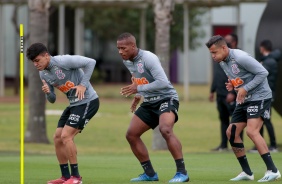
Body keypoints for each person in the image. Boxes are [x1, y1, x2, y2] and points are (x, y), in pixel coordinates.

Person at [205, 35, 281, 182]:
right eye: (211, 53)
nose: (213, 56)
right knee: (231, 133)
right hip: (244, 99)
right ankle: (247, 172)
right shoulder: (222, 61)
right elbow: (240, 77)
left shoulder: (240, 57)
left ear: (224, 48)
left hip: (259, 96)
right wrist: (233, 85)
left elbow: (263, 73)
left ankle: (273, 170)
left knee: (252, 131)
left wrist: (245, 88)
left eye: (214, 52)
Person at [116, 32, 189, 183]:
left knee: (165, 129)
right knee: (131, 135)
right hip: (149, 102)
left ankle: (182, 173)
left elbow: (162, 82)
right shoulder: (127, 61)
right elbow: (139, 80)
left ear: (133, 46)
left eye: (123, 48)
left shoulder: (148, 58)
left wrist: (139, 90)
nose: (120, 51)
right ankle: (150, 174)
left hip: (166, 98)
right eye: (118, 48)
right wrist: (138, 96)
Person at [26, 43, 100, 184]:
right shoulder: (43, 73)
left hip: (88, 101)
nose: (35, 64)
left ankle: (76, 178)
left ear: (46, 55)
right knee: (57, 138)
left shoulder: (63, 61)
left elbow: (91, 62)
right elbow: (52, 100)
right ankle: (65, 177)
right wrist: (48, 93)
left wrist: (83, 84)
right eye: (33, 62)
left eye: (37, 60)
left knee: (66, 136)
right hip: (73, 104)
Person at [249, 40, 280, 153]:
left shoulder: (269, 61)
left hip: (267, 95)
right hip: (262, 95)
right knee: (260, 119)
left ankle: (273, 145)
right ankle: (259, 145)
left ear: (263, 48)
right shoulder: (267, 60)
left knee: (266, 120)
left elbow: (261, 76)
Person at [209, 33, 238, 151]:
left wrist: (233, 93)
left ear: (234, 42)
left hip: (230, 94)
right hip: (220, 93)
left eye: (227, 40)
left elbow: (238, 77)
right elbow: (217, 76)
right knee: (223, 119)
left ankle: (236, 145)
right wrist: (212, 90)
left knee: (236, 120)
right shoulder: (218, 58)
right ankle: (223, 145)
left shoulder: (236, 58)